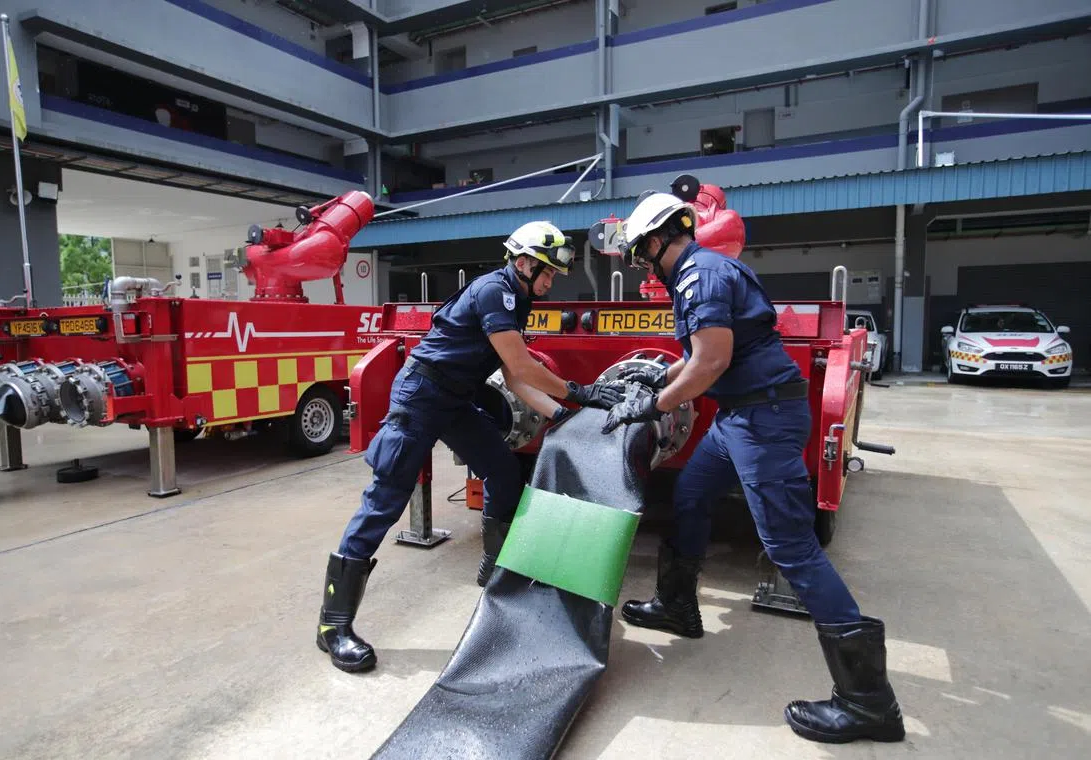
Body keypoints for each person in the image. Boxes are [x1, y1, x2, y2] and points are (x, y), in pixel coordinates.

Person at [601, 192, 905, 744]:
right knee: (692, 493)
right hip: (739, 416)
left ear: (655, 240)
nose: (640, 262)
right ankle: (677, 606)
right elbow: (706, 360)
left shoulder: (700, 276)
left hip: (761, 420)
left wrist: (655, 403)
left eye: (640, 251)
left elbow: (711, 359)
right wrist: (659, 382)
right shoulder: (705, 269)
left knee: (791, 546)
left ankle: (868, 702)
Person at [317, 220, 624, 674]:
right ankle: (333, 625)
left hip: (456, 400)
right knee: (384, 502)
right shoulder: (493, 292)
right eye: (547, 272)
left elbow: (515, 376)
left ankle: (494, 566)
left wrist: (562, 414)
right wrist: (578, 391)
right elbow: (520, 363)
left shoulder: (517, 301)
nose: (550, 281)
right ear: (523, 262)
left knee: (503, 471)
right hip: (422, 398)